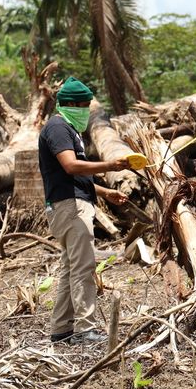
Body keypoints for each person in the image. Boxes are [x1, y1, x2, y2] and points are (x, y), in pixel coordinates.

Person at [39, 77, 131, 344]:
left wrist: (104, 192)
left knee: (71, 268)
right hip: (70, 208)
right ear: (72, 104)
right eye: (85, 106)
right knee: (83, 268)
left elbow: (73, 175)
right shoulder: (58, 127)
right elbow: (70, 166)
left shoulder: (69, 130)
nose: (87, 111)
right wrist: (109, 165)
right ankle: (85, 329)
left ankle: (61, 329)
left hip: (70, 204)